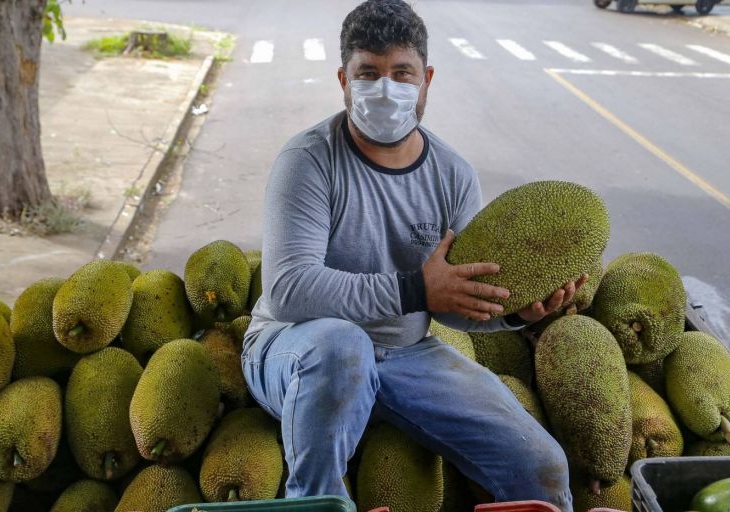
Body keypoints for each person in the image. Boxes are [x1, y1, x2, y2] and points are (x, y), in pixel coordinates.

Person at [242, 1, 586, 510]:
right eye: (368, 73)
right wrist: (415, 289)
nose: (386, 88)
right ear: (343, 79)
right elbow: (289, 291)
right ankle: (312, 502)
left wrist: (515, 313)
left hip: (406, 355)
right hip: (296, 349)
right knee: (342, 345)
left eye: (401, 73)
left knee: (542, 466)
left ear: (426, 79)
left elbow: (451, 301)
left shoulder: (453, 173)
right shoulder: (308, 160)